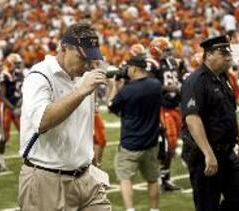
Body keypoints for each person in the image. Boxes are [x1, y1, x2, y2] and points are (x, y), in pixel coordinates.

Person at [18, 22, 111, 211]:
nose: (87, 64)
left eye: (90, 59)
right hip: (47, 178)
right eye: (81, 57)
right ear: (63, 48)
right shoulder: (39, 76)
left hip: (86, 177)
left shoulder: (83, 75)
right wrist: (81, 91)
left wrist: (88, 155)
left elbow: (84, 122)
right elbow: (42, 122)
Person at [181, 35, 239, 211]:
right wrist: (208, 153)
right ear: (209, 54)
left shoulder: (223, 78)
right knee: (207, 205)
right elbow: (192, 118)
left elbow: (230, 113)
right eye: (222, 51)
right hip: (204, 154)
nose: (228, 56)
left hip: (227, 151)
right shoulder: (195, 80)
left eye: (228, 51)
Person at [108, 54, 161, 211]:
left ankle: (130, 209)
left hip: (130, 143)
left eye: (129, 68)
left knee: (125, 179)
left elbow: (112, 107)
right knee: (153, 179)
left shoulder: (127, 90)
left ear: (135, 68)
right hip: (151, 142)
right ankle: (154, 209)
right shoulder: (156, 85)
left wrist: (114, 87)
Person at [150, 37, 182, 191]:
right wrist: (167, 88)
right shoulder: (154, 65)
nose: (169, 52)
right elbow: (149, 86)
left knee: (173, 145)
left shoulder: (174, 63)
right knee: (169, 144)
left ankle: (165, 178)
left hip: (176, 107)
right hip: (163, 108)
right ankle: (163, 178)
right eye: (166, 49)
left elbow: (180, 80)